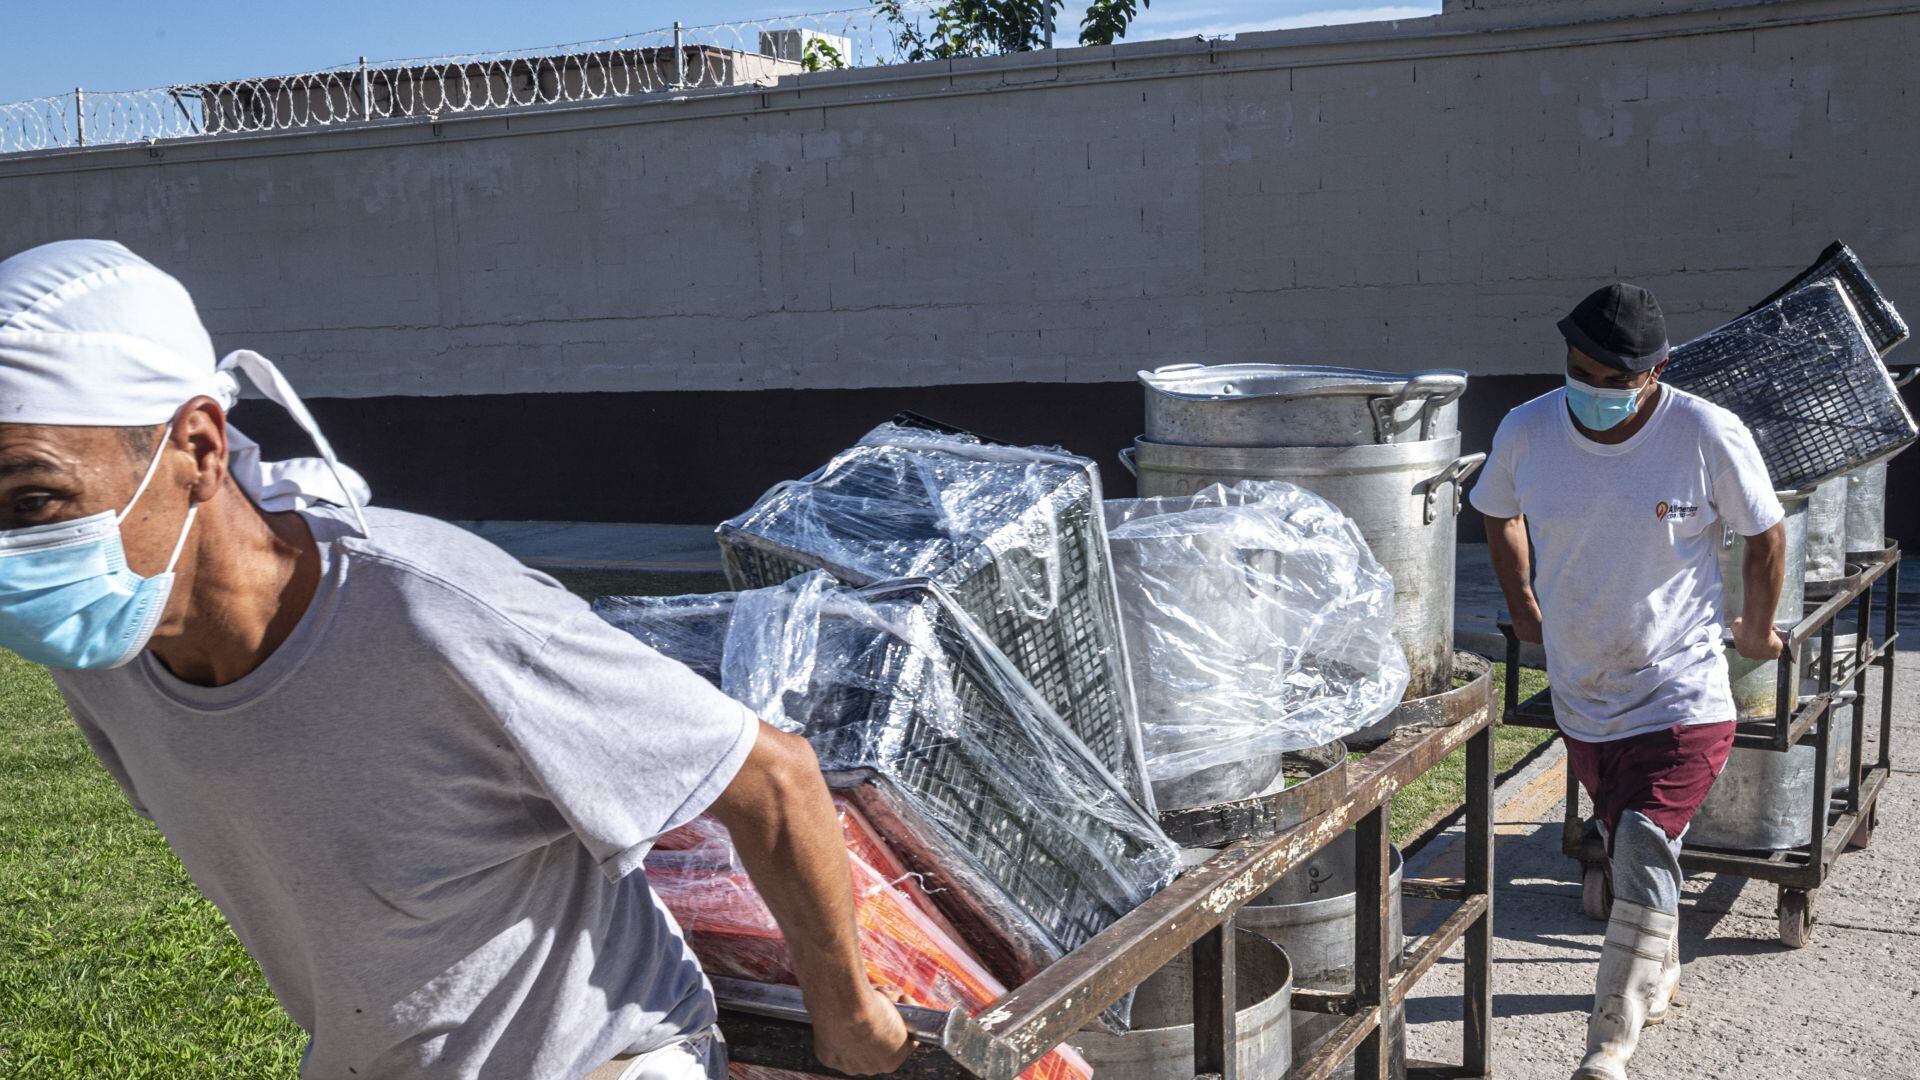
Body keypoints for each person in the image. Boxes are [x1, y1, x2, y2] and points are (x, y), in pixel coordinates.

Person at [0, 239, 913, 1080]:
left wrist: (852, 1022)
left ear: (197, 446)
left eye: (33, 499)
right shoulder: (105, 651)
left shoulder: (429, 612)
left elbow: (772, 776)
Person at [1469, 282, 1786, 1080]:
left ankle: (1608, 1040)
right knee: (1631, 841)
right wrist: (1525, 604)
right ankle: (1663, 964)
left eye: (1619, 380)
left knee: (1642, 836)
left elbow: (1765, 531)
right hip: (1587, 693)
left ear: (1656, 371)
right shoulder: (1528, 429)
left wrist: (1753, 626)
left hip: (1682, 690)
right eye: (1584, 372)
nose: (1599, 392)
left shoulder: (1705, 431)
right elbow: (1496, 513)